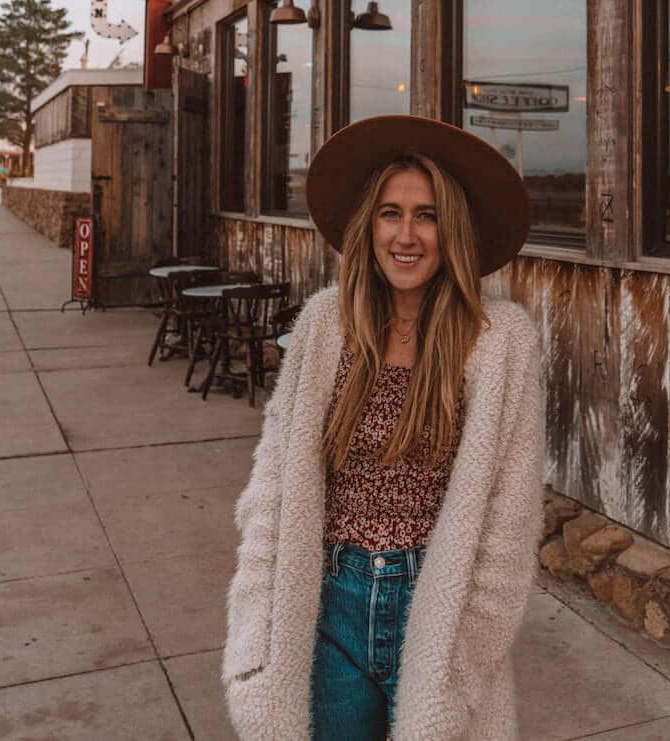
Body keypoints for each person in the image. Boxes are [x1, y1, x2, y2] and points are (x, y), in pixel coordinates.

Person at [223, 115, 545, 741]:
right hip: (328, 605)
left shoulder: (499, 342)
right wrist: (256, 626)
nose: (407, 234)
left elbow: (510, 523)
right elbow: (272, 492)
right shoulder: (325, 326)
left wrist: (467, 651)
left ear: (452, 230)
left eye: (427, 215)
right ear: (367, 225)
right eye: (390, 213)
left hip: (437, 610)